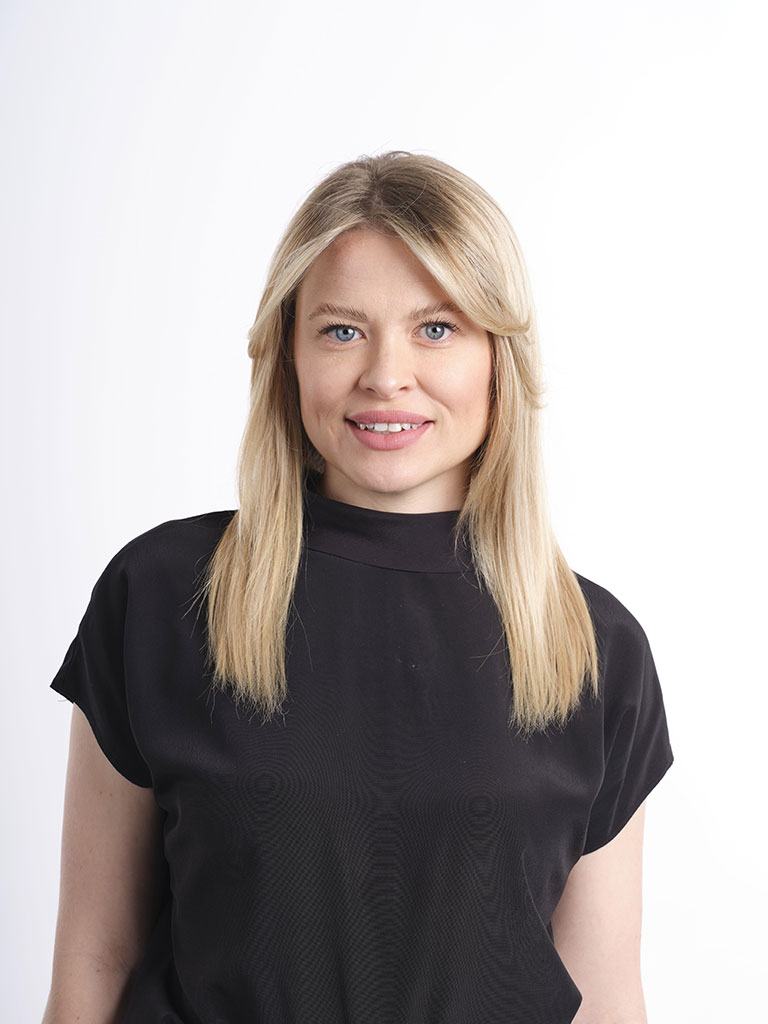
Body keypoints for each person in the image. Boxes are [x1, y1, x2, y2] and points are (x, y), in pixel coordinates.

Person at [43, 150, 674, 1024]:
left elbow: (604, 999)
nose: (385, 374)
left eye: (437, 329)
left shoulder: (590, 646)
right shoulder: (163, 596)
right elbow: (94, 961)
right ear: (290, 356)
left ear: (499, 357)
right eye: (342, 331)